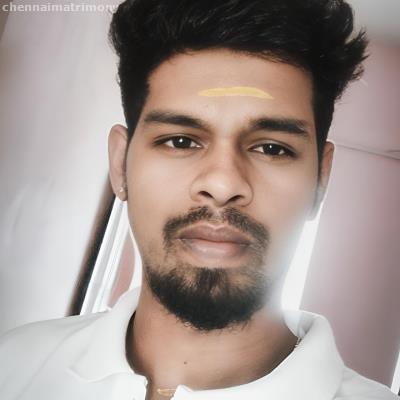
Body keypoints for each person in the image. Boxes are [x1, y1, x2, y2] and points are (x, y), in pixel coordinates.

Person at [0, 0, 397, 399]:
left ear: (320, 180)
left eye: (272, 148)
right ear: (120, 164)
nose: (222, 185)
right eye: (180, 141)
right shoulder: (12, 365)